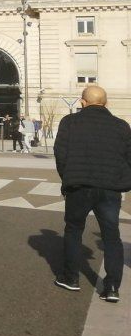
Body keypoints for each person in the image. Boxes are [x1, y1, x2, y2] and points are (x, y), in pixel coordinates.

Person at [52, 85, 131, 302]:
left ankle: (71, 278)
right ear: (106, 103)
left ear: (83, 102)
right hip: (110, 188)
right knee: (111, 236)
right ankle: (112, 286)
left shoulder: (70, 122)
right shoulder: (121, 126)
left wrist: (67, 176)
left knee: (74, 230)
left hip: (79, 186)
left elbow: (60, 153)